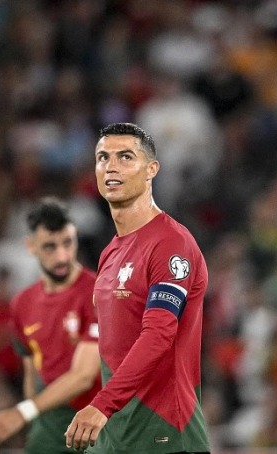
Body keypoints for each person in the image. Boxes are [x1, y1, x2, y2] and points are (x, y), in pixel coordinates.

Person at [65, 122, 211, 453]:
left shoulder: (171, 243)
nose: (111, 166)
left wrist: (102, 405)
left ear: (151, 170)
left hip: (164, 437)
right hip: (114, 438)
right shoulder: (110, 252)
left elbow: (159, 334)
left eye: (125, 157)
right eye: (102, 157)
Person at [0, 197, 101, 453]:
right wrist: (31, 420)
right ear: (31, 246)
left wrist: (20, 413)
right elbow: (31, 371)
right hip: (47, 428)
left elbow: (84, 376)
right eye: (49, 247)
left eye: (68, 243)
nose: (62, 256)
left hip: (95, 427)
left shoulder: (98, 293)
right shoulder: (23, 303)